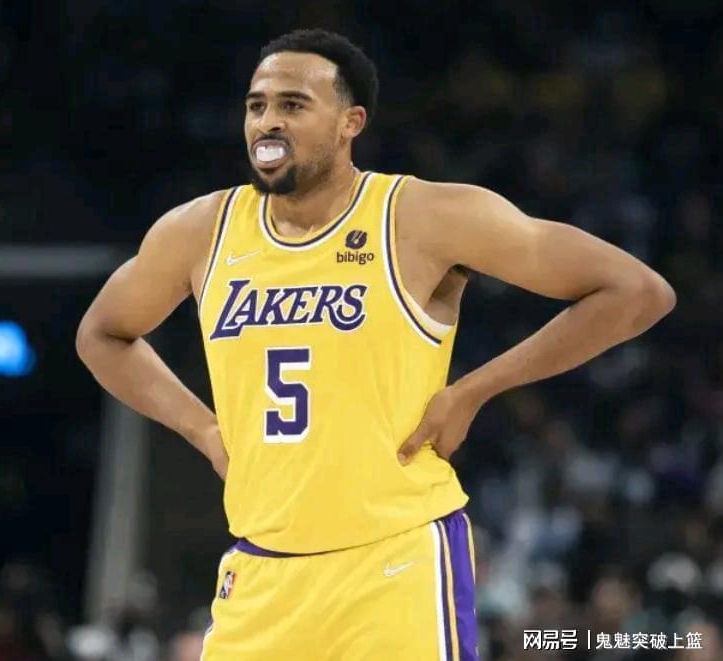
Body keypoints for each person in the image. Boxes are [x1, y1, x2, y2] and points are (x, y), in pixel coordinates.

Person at [75, 29, 675, 660]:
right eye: (257, 105)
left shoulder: (422, 217)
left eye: (293, 104)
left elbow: (636, 291)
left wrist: (474, 390)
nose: (268, 121)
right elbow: (103, 334)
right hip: (261, 572)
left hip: (395, 562)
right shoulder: (199, 231)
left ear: (349, 123)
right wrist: (201, 429)